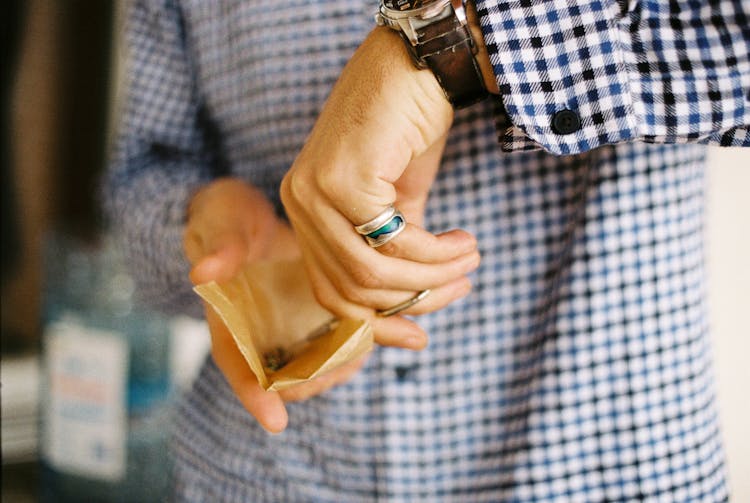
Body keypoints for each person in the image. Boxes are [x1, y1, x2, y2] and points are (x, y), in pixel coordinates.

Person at [104, 0, 748, 500]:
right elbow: (143, 178)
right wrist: (201, 227)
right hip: (257, 476)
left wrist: (462, 44)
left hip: (599, 468)